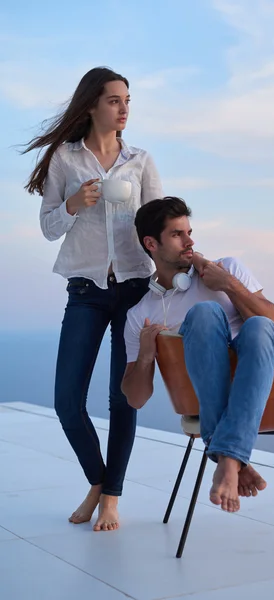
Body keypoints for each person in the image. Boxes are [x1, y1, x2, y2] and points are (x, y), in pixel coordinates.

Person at [23, 67, 163, 531]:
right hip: (85, 290)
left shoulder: (141, 160)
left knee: (122, 399)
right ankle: (99, 482)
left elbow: (157, 228)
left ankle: (111, 498)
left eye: (128, 100)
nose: (124, 109)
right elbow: (48, 228)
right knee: (67, 401)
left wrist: (179, 269)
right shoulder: (65, 160)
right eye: (114, 100)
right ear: (91, 106)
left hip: (135, 291)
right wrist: (73, 205)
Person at [122, 197, 274, 513]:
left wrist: (229, 285)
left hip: (271, 378)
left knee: (257, 327)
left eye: (189, 231)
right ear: (151, 243)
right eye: (177, 234)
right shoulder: (140, 315)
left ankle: (222, 453)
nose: (190, 241)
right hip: (212, 390)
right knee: (203, 313)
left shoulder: (227, 268)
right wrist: (146, 354)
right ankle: (231, 459)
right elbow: (135, 399)